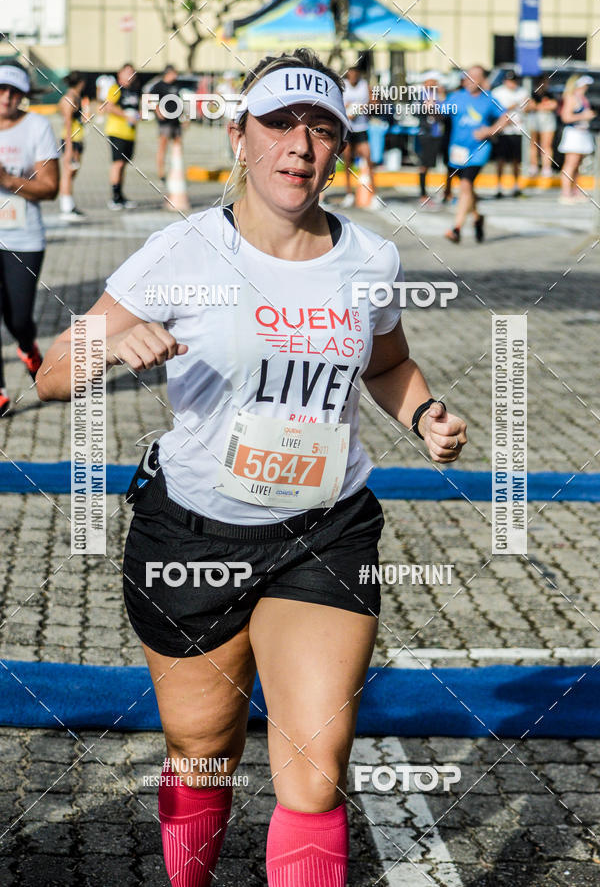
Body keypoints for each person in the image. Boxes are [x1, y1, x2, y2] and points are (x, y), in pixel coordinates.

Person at [37, 47, 467, 887]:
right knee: (203, 751)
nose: (299, 145)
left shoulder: (370, 260)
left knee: (314, 769)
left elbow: (388, 364)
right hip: (192, 538)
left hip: (324, 533)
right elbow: (53, 371)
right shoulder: (182, 251)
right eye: (278, 124)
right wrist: (111, 348)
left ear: (338, 147)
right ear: (239, 137)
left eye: (321, 129)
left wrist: (423, 414)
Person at [0, 61, 59, 417]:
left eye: (14, 92)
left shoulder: (37, 126)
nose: (6, 97)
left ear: (23, 95)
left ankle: (27, 346)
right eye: (0, 89)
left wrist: (7, 179)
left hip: (23, 237)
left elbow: (50, 187)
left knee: (18, 318)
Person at [442, 65, 510, 243]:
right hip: (458, 150)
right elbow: (441, 112)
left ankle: (456, 228)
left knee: (466, 184)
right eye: (467, 76)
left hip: (479, 149)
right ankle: (477, 217)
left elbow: (506, 117)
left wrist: (490, 130)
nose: (470, 80)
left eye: (474, 76)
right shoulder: (456, 97)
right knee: (468, 188)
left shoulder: (488, 99)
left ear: (482, 80)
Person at [105, 63, 140, 210]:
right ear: (120, 74)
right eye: (127, 72)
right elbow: (108, 106)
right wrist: (126, 116)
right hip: (117, 132)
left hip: (130, 133)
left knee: (123, 165)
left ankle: (121, 195)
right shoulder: (115, 88)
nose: (130, 75)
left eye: (132, 73)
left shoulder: (134, 91)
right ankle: (114, 197)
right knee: (117, 163)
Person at [491, 70, 531, 197]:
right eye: (509, 81)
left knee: (516, 160)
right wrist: (509, 110)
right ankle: (499, 186)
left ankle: (516, 186)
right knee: (500, 159)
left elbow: (528, 109)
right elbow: (494, 110)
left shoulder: (522, 92)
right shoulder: (497, 92)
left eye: (514, 81)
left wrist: (526, 105)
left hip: (517, 130)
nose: (512, 84)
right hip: (502, 130)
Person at [557, 74, 596, 204]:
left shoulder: (582, 98)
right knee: (570, 164)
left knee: (578, 164)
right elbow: (566, 117)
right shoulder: (571, 97)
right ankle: (565, 193)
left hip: (582, 133)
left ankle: (575, 191)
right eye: (584, 85)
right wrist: (583, 116)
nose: (586, 88)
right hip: (573, 133)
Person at [341, 66, 376, 207]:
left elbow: (375, 103)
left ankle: (374, 195)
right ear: (348, 75)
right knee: (347, 160)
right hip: (348, 127)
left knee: (368, 159)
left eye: (356, 74)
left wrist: (363, 107)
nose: (353, 77)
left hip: (362, 128)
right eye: (351, 74)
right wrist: (346, 108)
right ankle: (349, 193)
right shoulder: (343, 86)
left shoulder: (364, 86)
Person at [415, 72, 446, 209]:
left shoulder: (441, 95)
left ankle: (447, 192)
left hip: (440, 134)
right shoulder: (420, 96)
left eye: (434, 82)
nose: (432, 84)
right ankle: (423, 194)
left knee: (447, 163)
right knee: (424, 164)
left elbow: (447, 112)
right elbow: (415, 112)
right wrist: (427, 108)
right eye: (430, 82)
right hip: (426, 134)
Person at [58, 70, 87, 220]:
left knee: (73, 172)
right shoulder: (69, 99)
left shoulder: (77, 97)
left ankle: (69, 203)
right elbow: (68, 125)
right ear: (80, 83)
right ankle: (66, 207)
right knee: (68, 173)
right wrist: (69, 149)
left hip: (78, 139)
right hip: (71, 140)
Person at [153, 65, 183, 185]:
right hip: (165, 122)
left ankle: (175, 172)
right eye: (174, 73)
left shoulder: (176, 85)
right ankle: (161, 174)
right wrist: (158, 112)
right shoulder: (158, 86)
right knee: (163, 146)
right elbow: (151, 100)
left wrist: (184, 117)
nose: (176, 76)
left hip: (176, 121)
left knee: (177, 147)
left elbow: (179, 101)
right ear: (168, 73)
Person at [527, 74, 558, 177]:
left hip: (547, 120)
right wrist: (542, 106)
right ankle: (533, 166)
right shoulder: (532, 94)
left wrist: (538, 106)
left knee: (546, 145)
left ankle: (546, 168)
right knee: (534, 144)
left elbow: (553, 105)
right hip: (534, 120)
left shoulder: (550, 94)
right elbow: (529, 106)